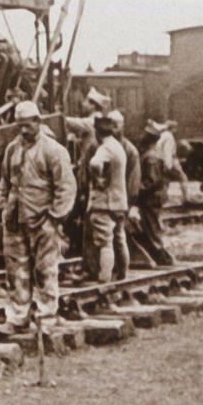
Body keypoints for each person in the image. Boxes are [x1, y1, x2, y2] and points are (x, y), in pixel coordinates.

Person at [0, 99, 76, 331]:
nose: (22, 130)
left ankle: (46, 317)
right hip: (15, 219)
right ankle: (18, 317)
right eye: (19, 125)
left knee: (45, 269)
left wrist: (55, 218)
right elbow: (4, 181)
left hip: (44, 220)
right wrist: (1, 205)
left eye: (27, 125)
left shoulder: (53, 150)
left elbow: (66, 186)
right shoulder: (12, 149)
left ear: (38, 122)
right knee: (15, 270)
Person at [84, 111, 128, 282]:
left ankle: (105, 278)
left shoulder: (105, 148)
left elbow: (94, 163)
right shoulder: (118, 147)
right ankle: (123, 274)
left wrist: (98, 178)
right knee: (119, 238)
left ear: (97, 132)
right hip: (119, 202)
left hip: (104, 203)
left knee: (105, 242)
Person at [109, 110, 142, 280]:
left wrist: (130, 202)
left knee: (118, 235)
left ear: (122, 127)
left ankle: (120, 271)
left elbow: (134, 180)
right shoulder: (105, 146)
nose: (113, 130)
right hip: (107, 200)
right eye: (110, 126)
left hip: (120, 199)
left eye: (116, 126)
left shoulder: (130, 150)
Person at [137, 127, 170, 264]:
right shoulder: (153, 154)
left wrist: (136, 190)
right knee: (151, 225)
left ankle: (160, 254)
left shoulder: (151, 157)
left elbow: (150, 181)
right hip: (153, 196)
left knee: (152, 226)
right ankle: (158, 253)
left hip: (151, 197)